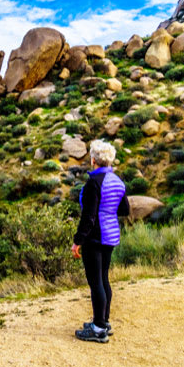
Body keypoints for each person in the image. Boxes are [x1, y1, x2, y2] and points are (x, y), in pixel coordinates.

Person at [71, 140, 129, 343]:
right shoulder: (117, 181)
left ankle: (97, 329)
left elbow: (89, 217)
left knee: (96, 282)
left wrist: (78, 241)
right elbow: (124, 210)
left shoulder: (93, 183)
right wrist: (108, 210)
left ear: (93, 160)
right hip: (111, 236)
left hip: (95, 238)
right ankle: (103, 321)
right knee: (103, 279)